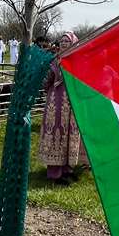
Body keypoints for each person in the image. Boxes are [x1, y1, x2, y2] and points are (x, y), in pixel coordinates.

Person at [39, 32, 88, 184]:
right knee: (56, 131)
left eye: (67, 41)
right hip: (56, 102)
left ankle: (67, 169)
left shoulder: (78, 61)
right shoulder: (54, 60)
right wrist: (54, 71)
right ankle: (55, 172)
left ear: (74, 43)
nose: (64, 43)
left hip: (72, 103)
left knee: (69, 133)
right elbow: (45, 82)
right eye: (62, 41)